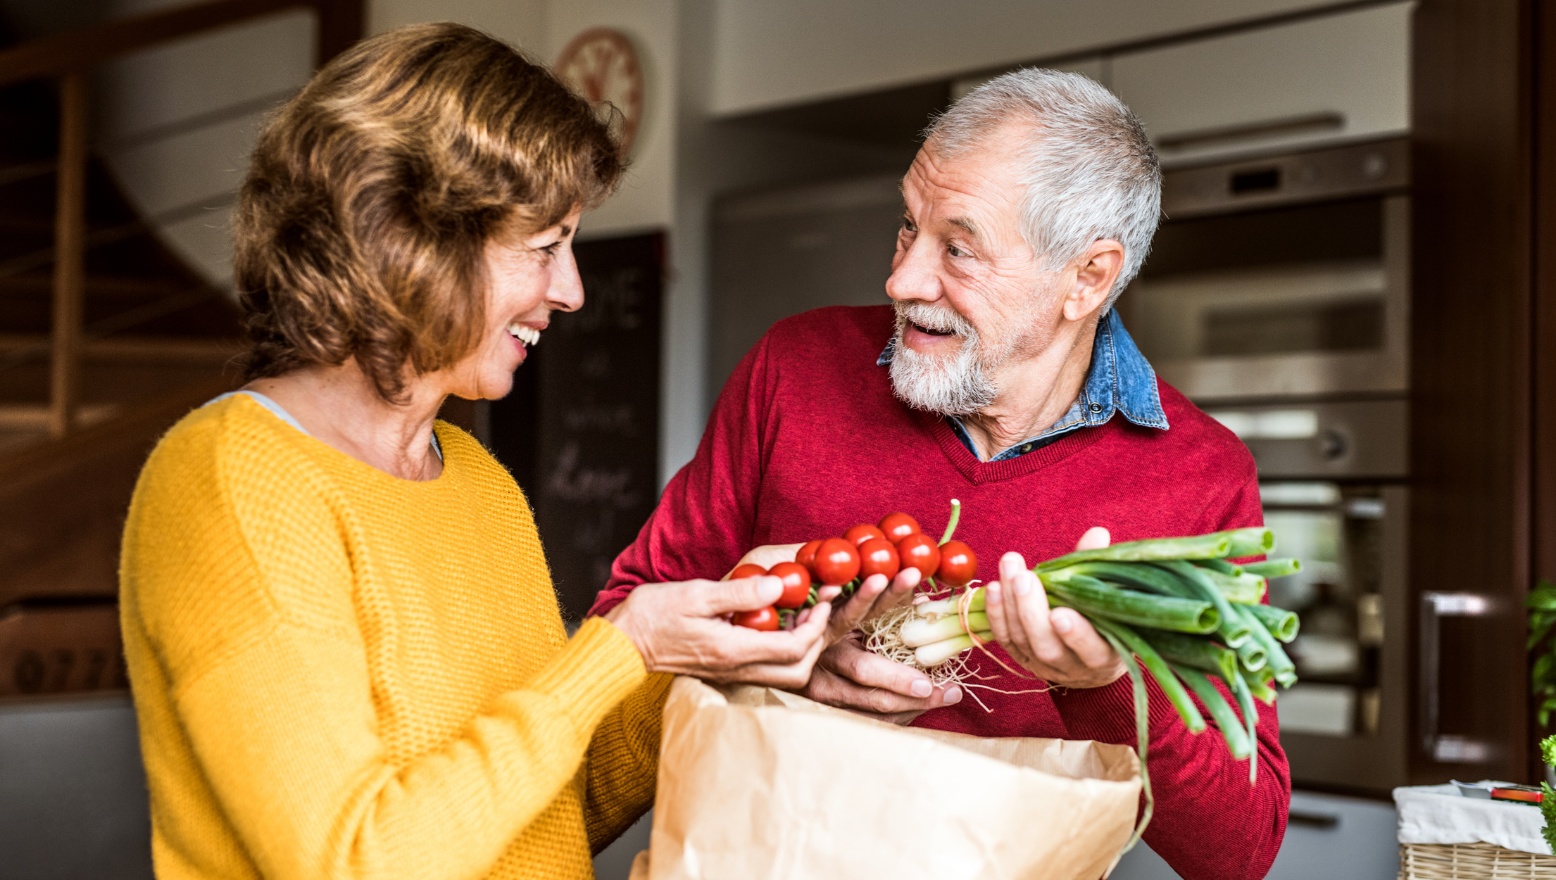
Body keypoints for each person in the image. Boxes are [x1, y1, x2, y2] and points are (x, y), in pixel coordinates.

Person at [118, 23, 832, 880]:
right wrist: (623, 647)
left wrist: (728, 656)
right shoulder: (231, 480)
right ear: (408, 241)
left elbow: (549, 816)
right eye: (543, 248)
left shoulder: (478, 480)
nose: (569, 291)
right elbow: (357, 860)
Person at [592, 69, 1289, 880]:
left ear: (1088, 278)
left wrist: (1105, 685)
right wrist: (776, 657)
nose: (903, 280)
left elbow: (1240, 852)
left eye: (957, 248)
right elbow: (628, 628)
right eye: (907, 228)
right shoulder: (795, 369)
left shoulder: (1198, 477)